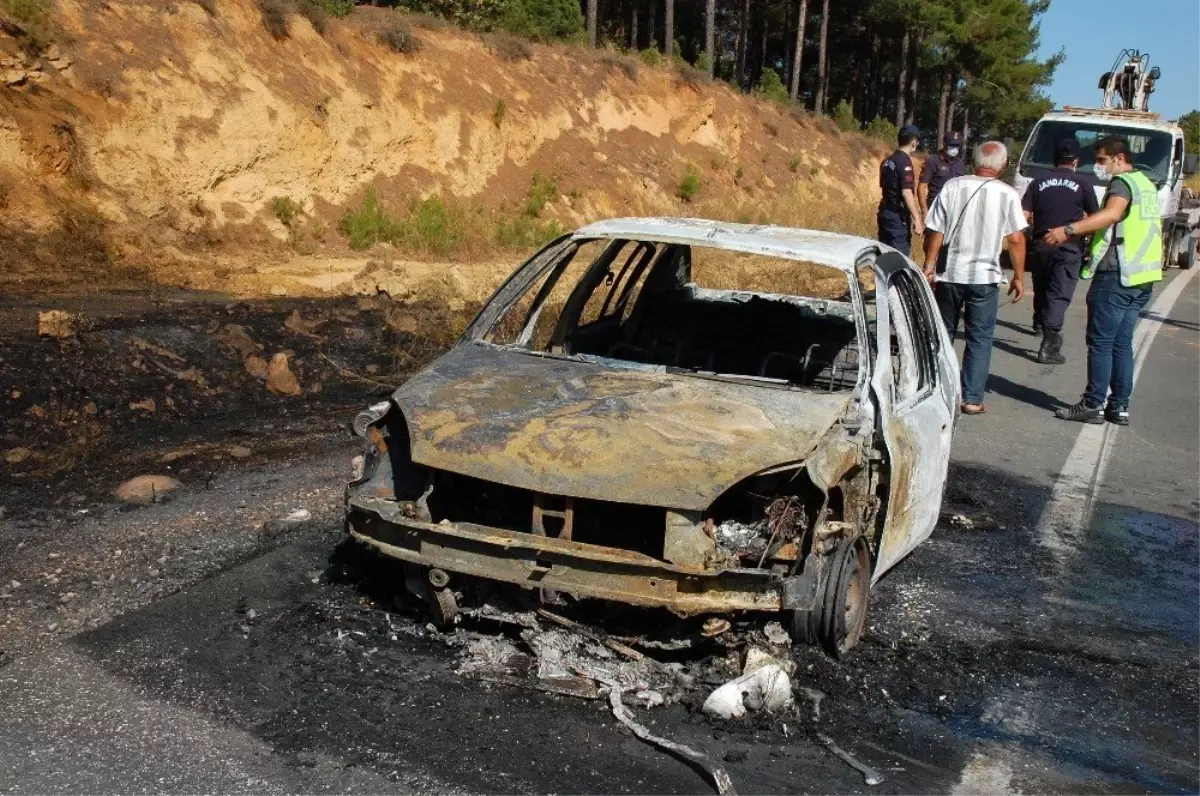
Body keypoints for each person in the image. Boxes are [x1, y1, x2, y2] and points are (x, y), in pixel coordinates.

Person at [1043, 135, 1163, 425]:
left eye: (1101, 160)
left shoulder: (1122, 184)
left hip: (1117, 274)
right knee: (1121, 343)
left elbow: (1111, 215)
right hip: (1142, 276)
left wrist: (1068, 230)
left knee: (1101, 342)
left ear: (1118, 158)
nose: (1099, 166)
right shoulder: (1146, 184)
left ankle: (1093, 403)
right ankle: (1119, 406)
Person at [923, 140, 1028, 416]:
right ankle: (971, 399)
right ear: (1004, 166)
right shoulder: (1007, 194)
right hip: (985, 278)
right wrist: (1019, 276)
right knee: (979, 338)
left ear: (973, 162)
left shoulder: (952, 186)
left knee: (943, 333)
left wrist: (929, 264)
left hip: (951, 275)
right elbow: (1016, 238)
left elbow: (936, 230)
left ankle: (937, 391)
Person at [1022, 137, 1099, 363]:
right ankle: (1050, 343)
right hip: (1068, 245)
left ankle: (1040, 322)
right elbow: (1094, 218)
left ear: (1054, 159)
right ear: (1075, 160)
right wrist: (1091, 244)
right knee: (1059, 292)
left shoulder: (1038, 182)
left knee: (1042, 286)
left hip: (1041, 243)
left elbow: (1023, 216)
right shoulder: (1083, 184)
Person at [877, 125, 924, 256]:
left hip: (885, 213)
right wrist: (917, 219)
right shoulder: (904, 162)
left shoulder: (886, 161)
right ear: (913, 142)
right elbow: (906, 192)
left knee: (885, 257)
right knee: (899, 260)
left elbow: (883, 187)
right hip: (897, 217)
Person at [918, 131, 967, 218]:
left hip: (954, 210)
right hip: (936, 209)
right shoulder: (933, 161)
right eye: (952, 145)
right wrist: (925, 211)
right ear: (944, 144)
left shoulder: (960, 163)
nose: (954, 148)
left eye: (957, 145)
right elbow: (922, 187)